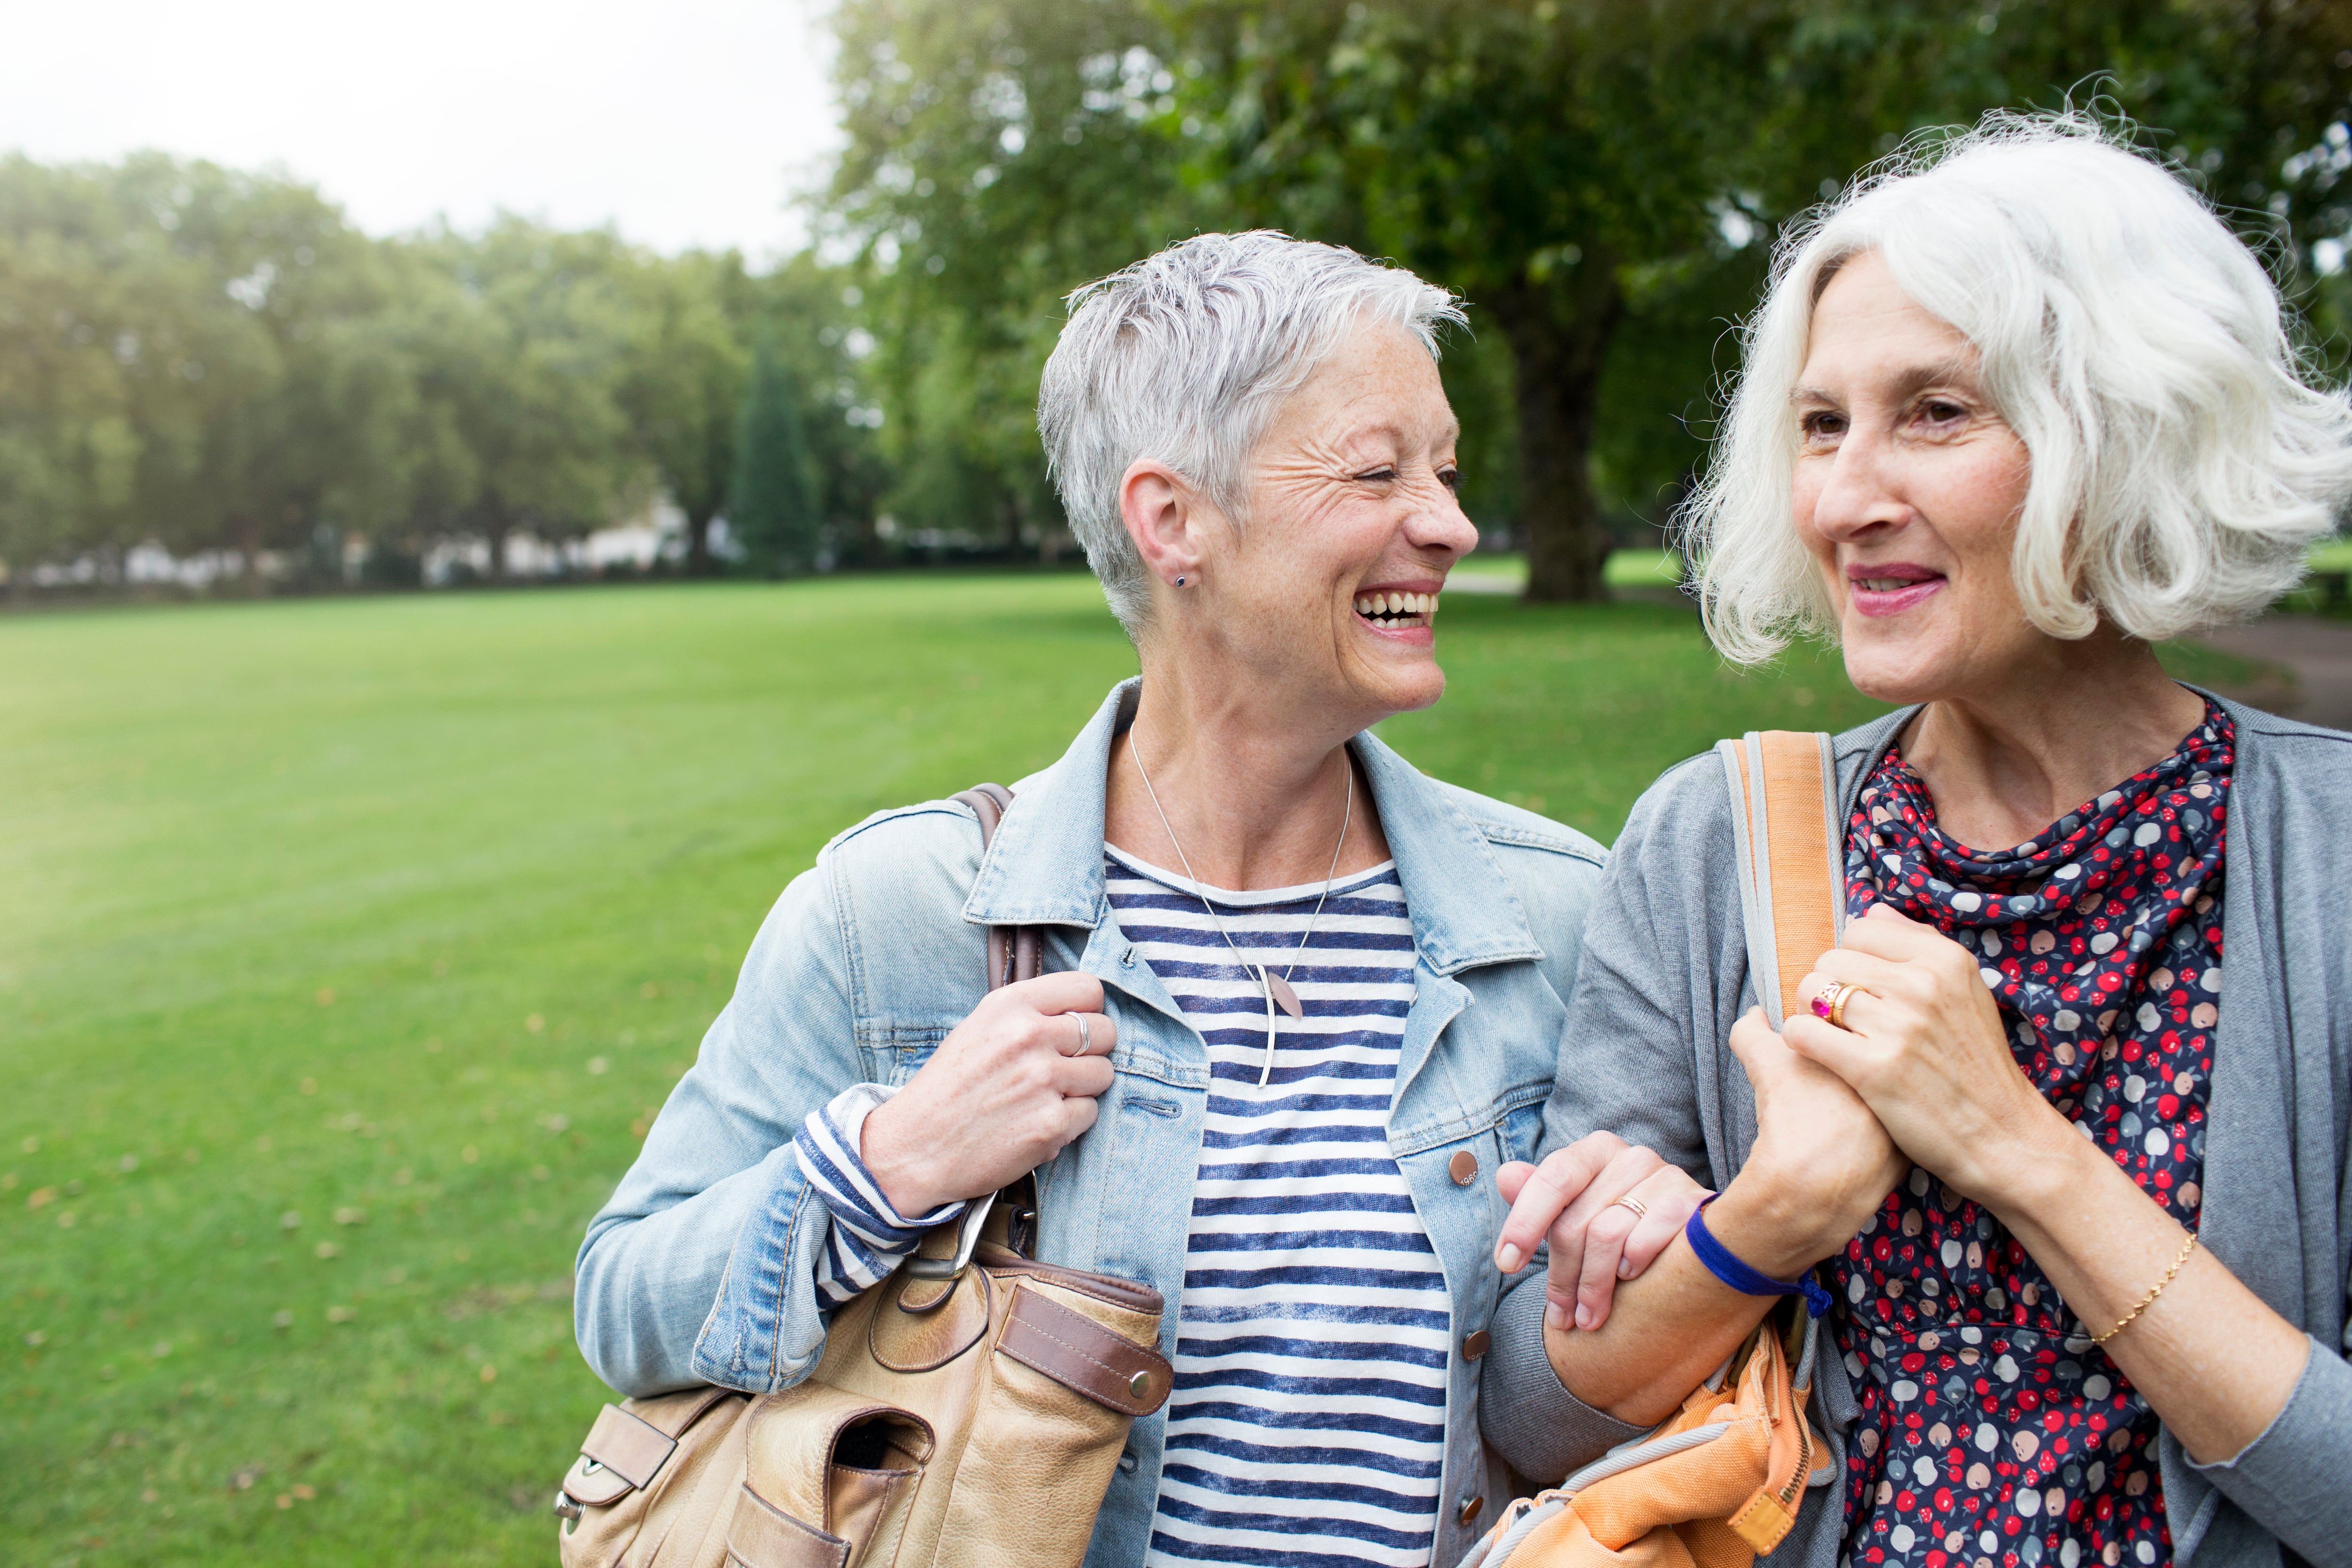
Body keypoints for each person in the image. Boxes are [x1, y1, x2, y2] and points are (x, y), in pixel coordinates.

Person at [576, 231, 1611, 1568]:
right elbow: (625, 1301)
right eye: (1378, 470)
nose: (1452, 523)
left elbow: (1580, 1402)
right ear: (1173, 520)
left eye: (1447, 470)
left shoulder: (1556, 913)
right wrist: (888, 1165)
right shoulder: (896, 915)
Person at [1481, 116, 2352, 1568]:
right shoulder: (1714, 842)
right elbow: (1532, 1407)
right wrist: (1760, 1222)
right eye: (1822, 425)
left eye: (1936, 413)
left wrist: (2020, 1149)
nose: (1843, 498)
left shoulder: (2325, 861)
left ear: (2125, 427)